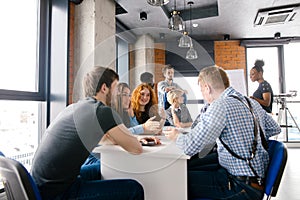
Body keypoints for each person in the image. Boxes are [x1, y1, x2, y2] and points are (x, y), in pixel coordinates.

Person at [163, 65, 281, 200]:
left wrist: (175, 136)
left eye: (202, 90)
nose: (203, 94)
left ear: (207, 88)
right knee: (187, 170)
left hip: (240, 186)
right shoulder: (250, 101)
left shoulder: (220, 106)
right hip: (255, 179)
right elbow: (274, 128)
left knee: (175, 180)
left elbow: (189, 147)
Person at [31, 66, 144, 200]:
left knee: (104, 167)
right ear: (104, 88)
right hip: (58, 193)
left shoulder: (74, 107)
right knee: (134, 189)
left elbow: (101, 139)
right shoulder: (102, 111)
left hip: (41, 186)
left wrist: (118, 137)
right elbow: (136, 148)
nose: (118, 94)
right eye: (116, 87)